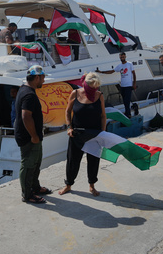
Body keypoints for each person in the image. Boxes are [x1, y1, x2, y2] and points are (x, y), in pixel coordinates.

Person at [58, 72, 106, 197]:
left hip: (94, 134)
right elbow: (67, 112)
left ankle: (92, 185)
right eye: (92, 87)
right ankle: (68, 185)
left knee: (93, 161)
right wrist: (69, 127)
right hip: (77, 134)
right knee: (73, 160)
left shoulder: (99, 95)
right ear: (85, 84)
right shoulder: (75, 93)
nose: (94, 89)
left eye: (96, 87)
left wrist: (103, 133)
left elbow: (103, 116)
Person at [14, 65, 52, 203]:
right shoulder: (29, 95)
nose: (43, 81)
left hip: (31, 136)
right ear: (37, 77)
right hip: (29, 137)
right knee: (28, 165)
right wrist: (34, 136)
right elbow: (26, 117)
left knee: (36, 163)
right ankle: (27, 194)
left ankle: (35, 187)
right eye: (42, 78)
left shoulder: (24, 89)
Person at [97, 52, 136, 118]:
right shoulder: (119, 66)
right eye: (121, 57)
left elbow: (134, 74)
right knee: (124, 100)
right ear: (119, 57)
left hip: (128, 86)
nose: (122, 58)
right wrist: (101, 72)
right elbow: (112, 71)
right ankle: (127, 112)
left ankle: (128, 114)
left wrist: (134, 84)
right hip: (122, 86)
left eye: (123, 57)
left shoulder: (129, 64)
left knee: (127, 100)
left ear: (125, 57)